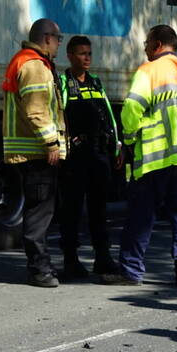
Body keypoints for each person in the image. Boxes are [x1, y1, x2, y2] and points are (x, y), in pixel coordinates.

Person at [101, 25, 177, 286]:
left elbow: (132, 109)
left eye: (147, 43)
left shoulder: (148, 72)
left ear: (158, 44)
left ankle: (131, 272)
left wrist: (129, 138)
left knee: (141, 216)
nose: (145, 48)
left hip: (153, 159)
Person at [2, 19, 68, 288]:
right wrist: (51, 143)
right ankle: (40, 270)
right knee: (39, 213)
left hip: (30, 152)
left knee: (39, 209)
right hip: (37, 153)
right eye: (59, 39)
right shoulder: (34, 66)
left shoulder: (27, 61)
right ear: (48, 38)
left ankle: (42, 267)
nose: (59, 45)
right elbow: (36, 111)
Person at [57, 36, 121, 281]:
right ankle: (71, 261)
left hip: (99, 155)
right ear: (70, 56)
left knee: (99, 209)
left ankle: (102, 257)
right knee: (71, 210)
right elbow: (58, 116)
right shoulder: (63, 82)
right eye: (82, 53)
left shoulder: (95, 83)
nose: (87, 58)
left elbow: (108, 117)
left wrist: (116, 146)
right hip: (75, 158)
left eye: (89, 54)